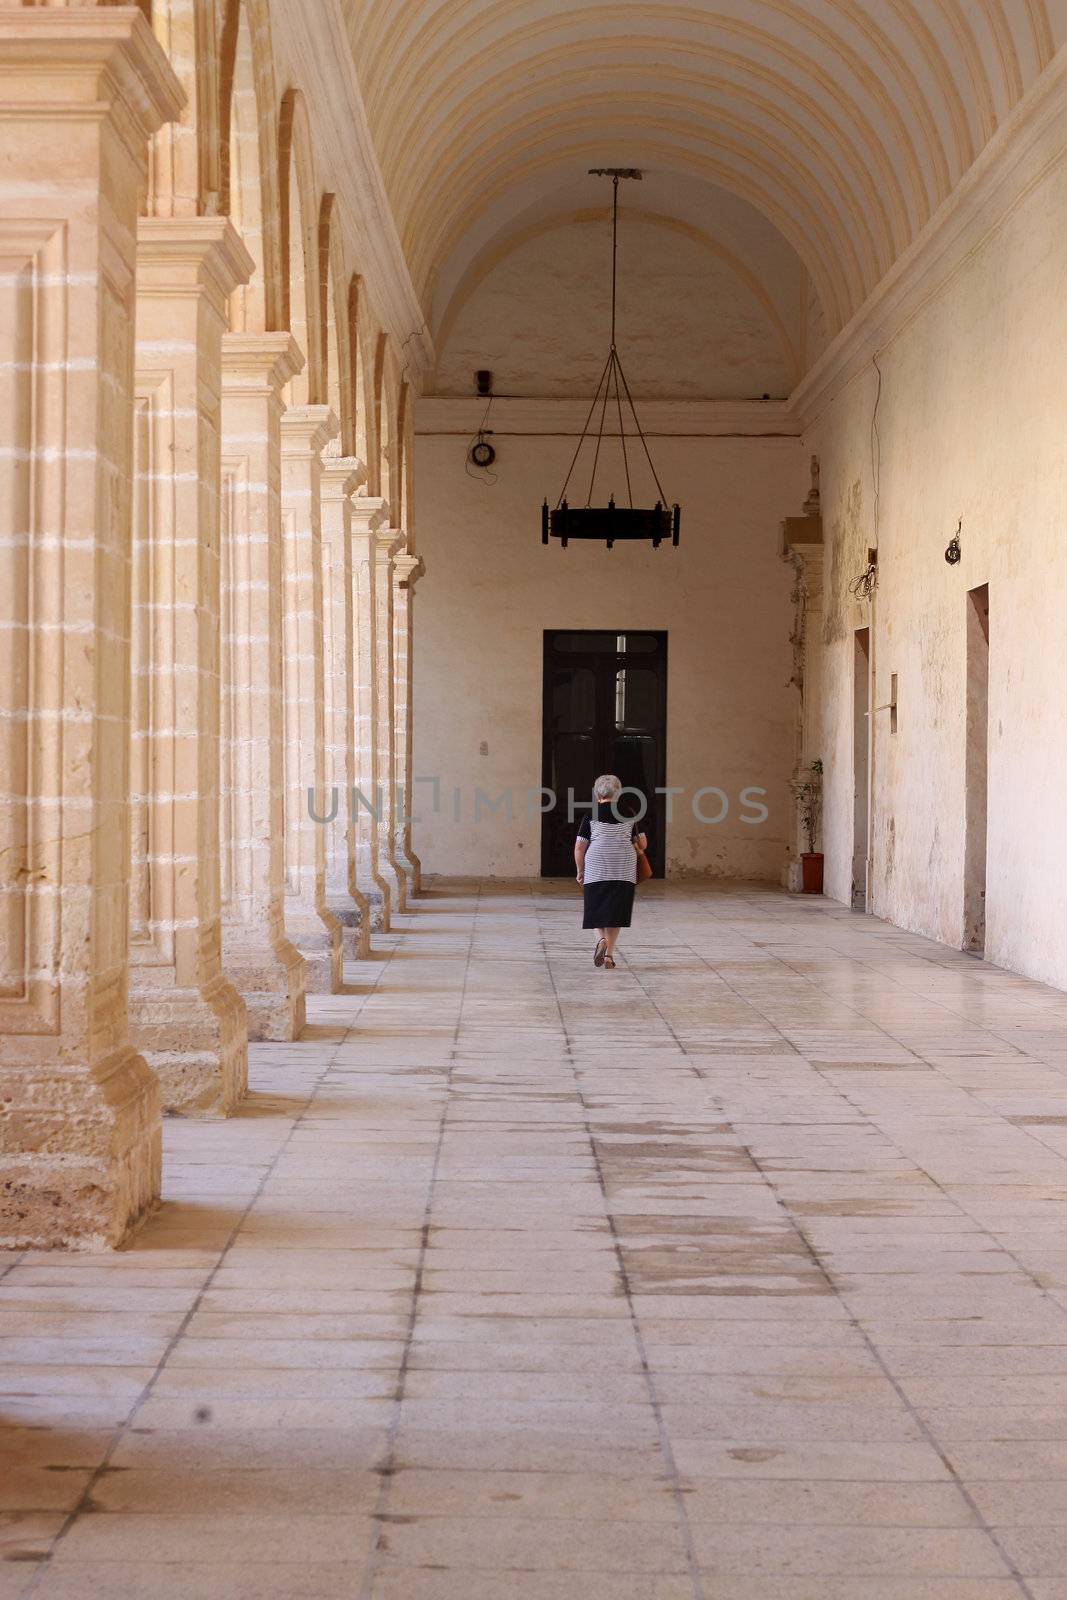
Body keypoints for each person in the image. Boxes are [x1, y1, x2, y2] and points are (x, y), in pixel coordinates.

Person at [574, 774, 648, 969]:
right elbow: (642, 843)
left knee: (596, 907)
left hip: (597, 865)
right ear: (618, 793)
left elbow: (580, 847)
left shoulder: (591, 814)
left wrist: (580, 870)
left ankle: (600, 940)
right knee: (616, 911)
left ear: (598, 793)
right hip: (623, 867)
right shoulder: (629, 812)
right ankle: (609, 957)